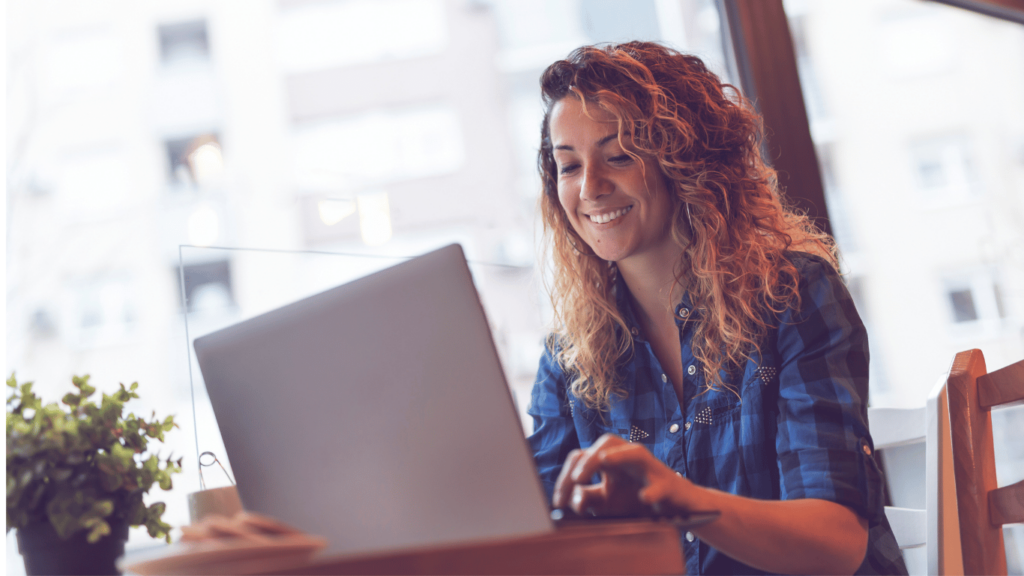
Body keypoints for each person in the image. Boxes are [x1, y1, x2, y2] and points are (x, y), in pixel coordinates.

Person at [527, 42, 907, 575]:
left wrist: (677, 498)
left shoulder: (793, 295)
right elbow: (534, 540)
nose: (590, 188)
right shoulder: (568, 359)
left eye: (619, 156)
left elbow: (836, 543)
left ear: (685, 162)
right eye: (568, 166)